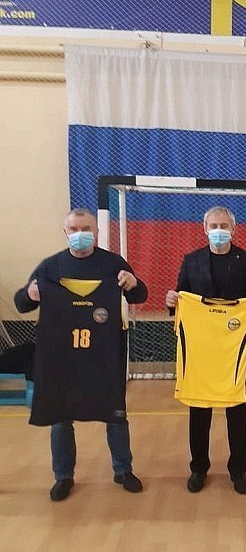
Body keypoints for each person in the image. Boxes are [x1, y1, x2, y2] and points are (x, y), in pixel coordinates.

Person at [14, 208, 148, 502]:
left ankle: (123, 470)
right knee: (61, 416)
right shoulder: (50, 267)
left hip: (104, 353)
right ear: (66, 233)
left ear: (96, 232)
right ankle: (63, 476)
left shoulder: (114, 264)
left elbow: (140, 296)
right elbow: (21, 303)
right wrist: (29, 295)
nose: (80, 235)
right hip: (62, 356)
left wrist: (134, 284)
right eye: (74, 230)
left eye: (86, 229)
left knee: (115, 412)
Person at [166, 206, 246, 495]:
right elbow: (180, 297)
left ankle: (238, 470)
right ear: (205, 228)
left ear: (234, 229)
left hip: (234, 349)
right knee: (199, 411)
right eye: (214, 225)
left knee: (237, 410)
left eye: (224, 225)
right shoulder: (192, 260)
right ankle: (199, 468)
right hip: (201, 349)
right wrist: (172, 301)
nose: (219, 230)